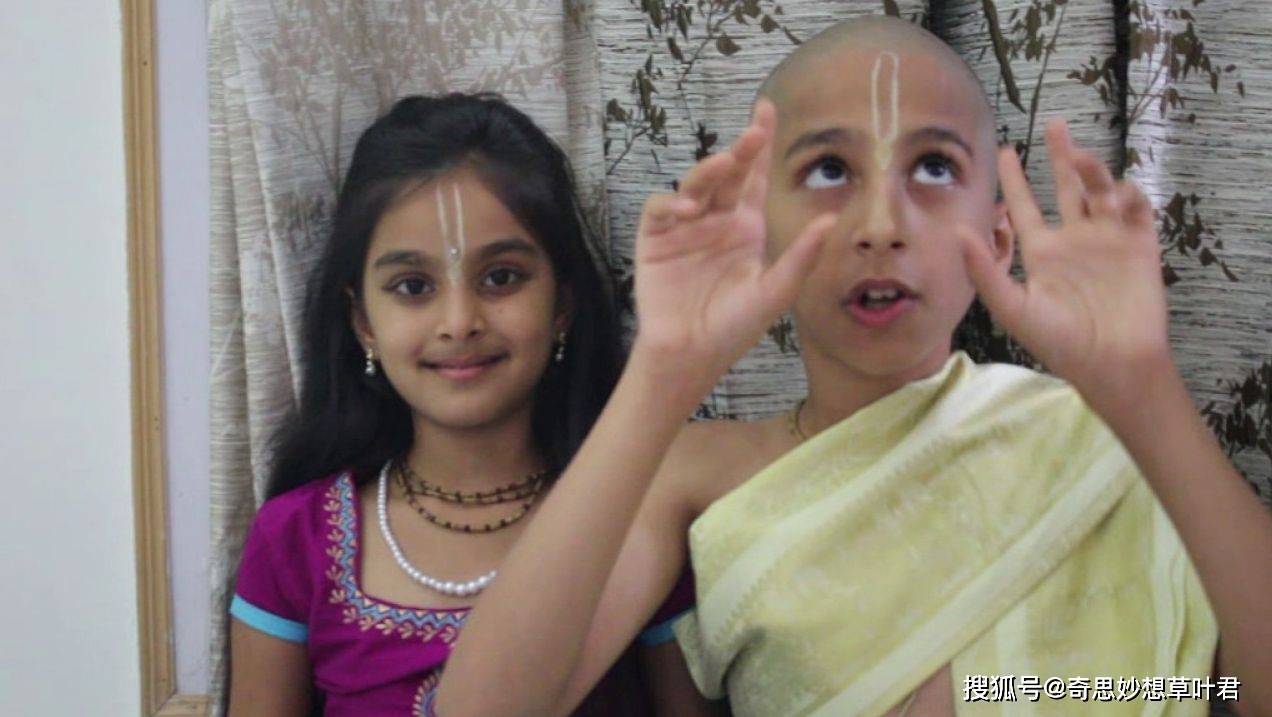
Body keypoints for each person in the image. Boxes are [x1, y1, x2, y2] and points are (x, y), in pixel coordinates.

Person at [434, 17, 1272, 717]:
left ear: (998, 239)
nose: (880, 225)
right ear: (761, 231)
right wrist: (662, 372)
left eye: (933, 168)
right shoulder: (692, 471)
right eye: (830, 170)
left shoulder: (1099, 437)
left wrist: (1145, 391)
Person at [226, 93, 713, 716]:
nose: (459, 322)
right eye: (413, 287)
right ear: (363, 321)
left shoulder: (637, 519)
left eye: (501, 277)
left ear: (562, 304)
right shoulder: (297, 539)